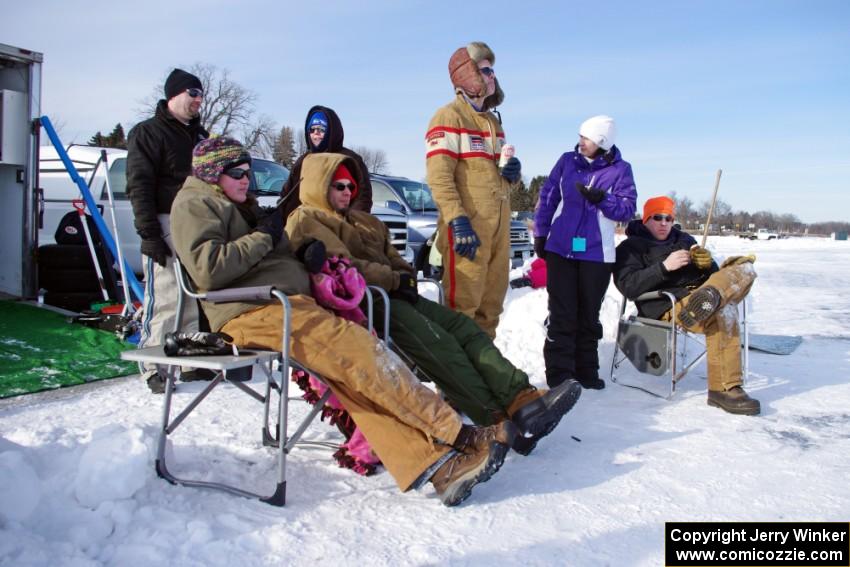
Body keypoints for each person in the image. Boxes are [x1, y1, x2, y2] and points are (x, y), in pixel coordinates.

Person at [170, 136, 517, 506]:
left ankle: (438, 466)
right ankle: (458, 435)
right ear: (211, 173)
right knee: (365, 354)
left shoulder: (232, 203)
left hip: (286, 303)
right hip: (252, 311)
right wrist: (262, 236)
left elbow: (268, 253)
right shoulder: (195, 203)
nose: (246, 178)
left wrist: (304, 254)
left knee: (354, 379)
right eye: (236, 172)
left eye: (248, 171)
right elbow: (209, 271)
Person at [285, 152, 582, 455]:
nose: (347, 192)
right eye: (338, 186)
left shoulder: (365, 221)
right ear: (319, 186)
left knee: (463, 328)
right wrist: (394, 279)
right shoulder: (307, 218)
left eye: (350, 186)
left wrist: (403, 277)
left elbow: (396, 258)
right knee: (441, 346)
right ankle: (495, 419)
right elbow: (344, 267)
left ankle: (521, 400)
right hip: (363, 304)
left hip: (396, 294)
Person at [613, 196, 761, 415]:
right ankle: (725, 389)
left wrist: (707, 264)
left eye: (669, 218)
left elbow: (714, 275)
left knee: (745, 268)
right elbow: (629, 286)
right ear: (645, 219)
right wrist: (664, 267)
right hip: (668, 303)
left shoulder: (684, 239)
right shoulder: (631, 247)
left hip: (700, 294)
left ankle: (709, 300)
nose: (664, 223)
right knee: (725, 311)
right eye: (657, 217)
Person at [425, 41, 522, 339]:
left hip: (498, 233)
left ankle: (483, 381)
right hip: (469, 231)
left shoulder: (493, 123)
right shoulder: (448, 117)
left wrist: (513, 173)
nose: (492, 76)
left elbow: (493, 179)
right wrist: (457, 219)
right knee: (461, 311)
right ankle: (454, 385)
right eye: (485, 70)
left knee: (490, 310)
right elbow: (439, 177)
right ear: (468, 74)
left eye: (493, 71)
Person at [534, 115, 637, 390]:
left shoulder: (621, 170)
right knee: (562, 313)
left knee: (588, 315)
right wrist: (541, 233)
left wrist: (603, 199)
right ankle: (560, 376)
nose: (580, 142)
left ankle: (586, 370)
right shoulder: (567, 161)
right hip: (561, 249)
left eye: (587, 139)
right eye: (580, 136)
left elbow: (627, 209)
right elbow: (547, 198)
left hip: (596, 254)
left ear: (602, 142)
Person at [126, 68, 210, 393]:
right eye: (193, 94)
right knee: (165, 296)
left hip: (197, 224)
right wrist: (148, 234)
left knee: (192, 296)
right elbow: (139, 184)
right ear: (173, 94)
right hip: (164, 223)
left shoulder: (200, 138)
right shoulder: (148, 133)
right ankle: (152, 365)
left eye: (201, 95)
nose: (198, 100)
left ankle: (187, 359)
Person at [278, 105, 373, 220]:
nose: (316, 133)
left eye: (321, 129)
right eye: (312, 129)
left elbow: (363, 197)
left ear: (331, 131)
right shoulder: (303, 161)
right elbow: (288, 195)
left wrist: (350, 225)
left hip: (337, 226)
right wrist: (282, 218)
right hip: (305, 224)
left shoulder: (350, 159)